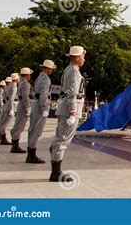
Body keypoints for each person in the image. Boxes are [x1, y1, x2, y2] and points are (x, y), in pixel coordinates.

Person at [49, 46, 86, 182]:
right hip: (70, 110)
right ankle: (55, 173)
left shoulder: (72, 70)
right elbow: (72, 93)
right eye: (82, 56)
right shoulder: (73, 71)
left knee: (62, 139)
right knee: (62, 140)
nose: (83, 59)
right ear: (76, 58)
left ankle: (55, 162)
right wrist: (73, 112)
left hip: (69, 108)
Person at [27, 60, 56, 164]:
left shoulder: (39, 78)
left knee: (33, 130)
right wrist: (44, 108)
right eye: (51, 69)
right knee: (37, 131)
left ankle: (30, 153)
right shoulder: (46, 79)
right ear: (47, 69)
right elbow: (44, 94)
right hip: (40, 106)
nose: (51, 71)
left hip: (36, 104)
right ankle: (31, 155)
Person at [10, 67, 34, 153]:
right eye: (30, 74)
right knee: (20, 125)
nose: (30, 76)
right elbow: (25, 96)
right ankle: (15, 146)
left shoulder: (21, 82)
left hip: (21, 104)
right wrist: (28, 107)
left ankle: (14, 144)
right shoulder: (26, 83)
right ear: (27, 75)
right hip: (23, 106)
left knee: (18, 124)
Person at [0, 73, 19, 145]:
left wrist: (6, 104)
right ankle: (3, 139)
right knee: (6, 124)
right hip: (10, 106)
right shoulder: (13, 87)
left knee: (3, 123)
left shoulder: (7, 87)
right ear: (16, 79)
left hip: (6, 105)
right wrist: (11, 109)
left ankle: (2, 138)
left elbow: (4, 97)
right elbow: (11, 98)